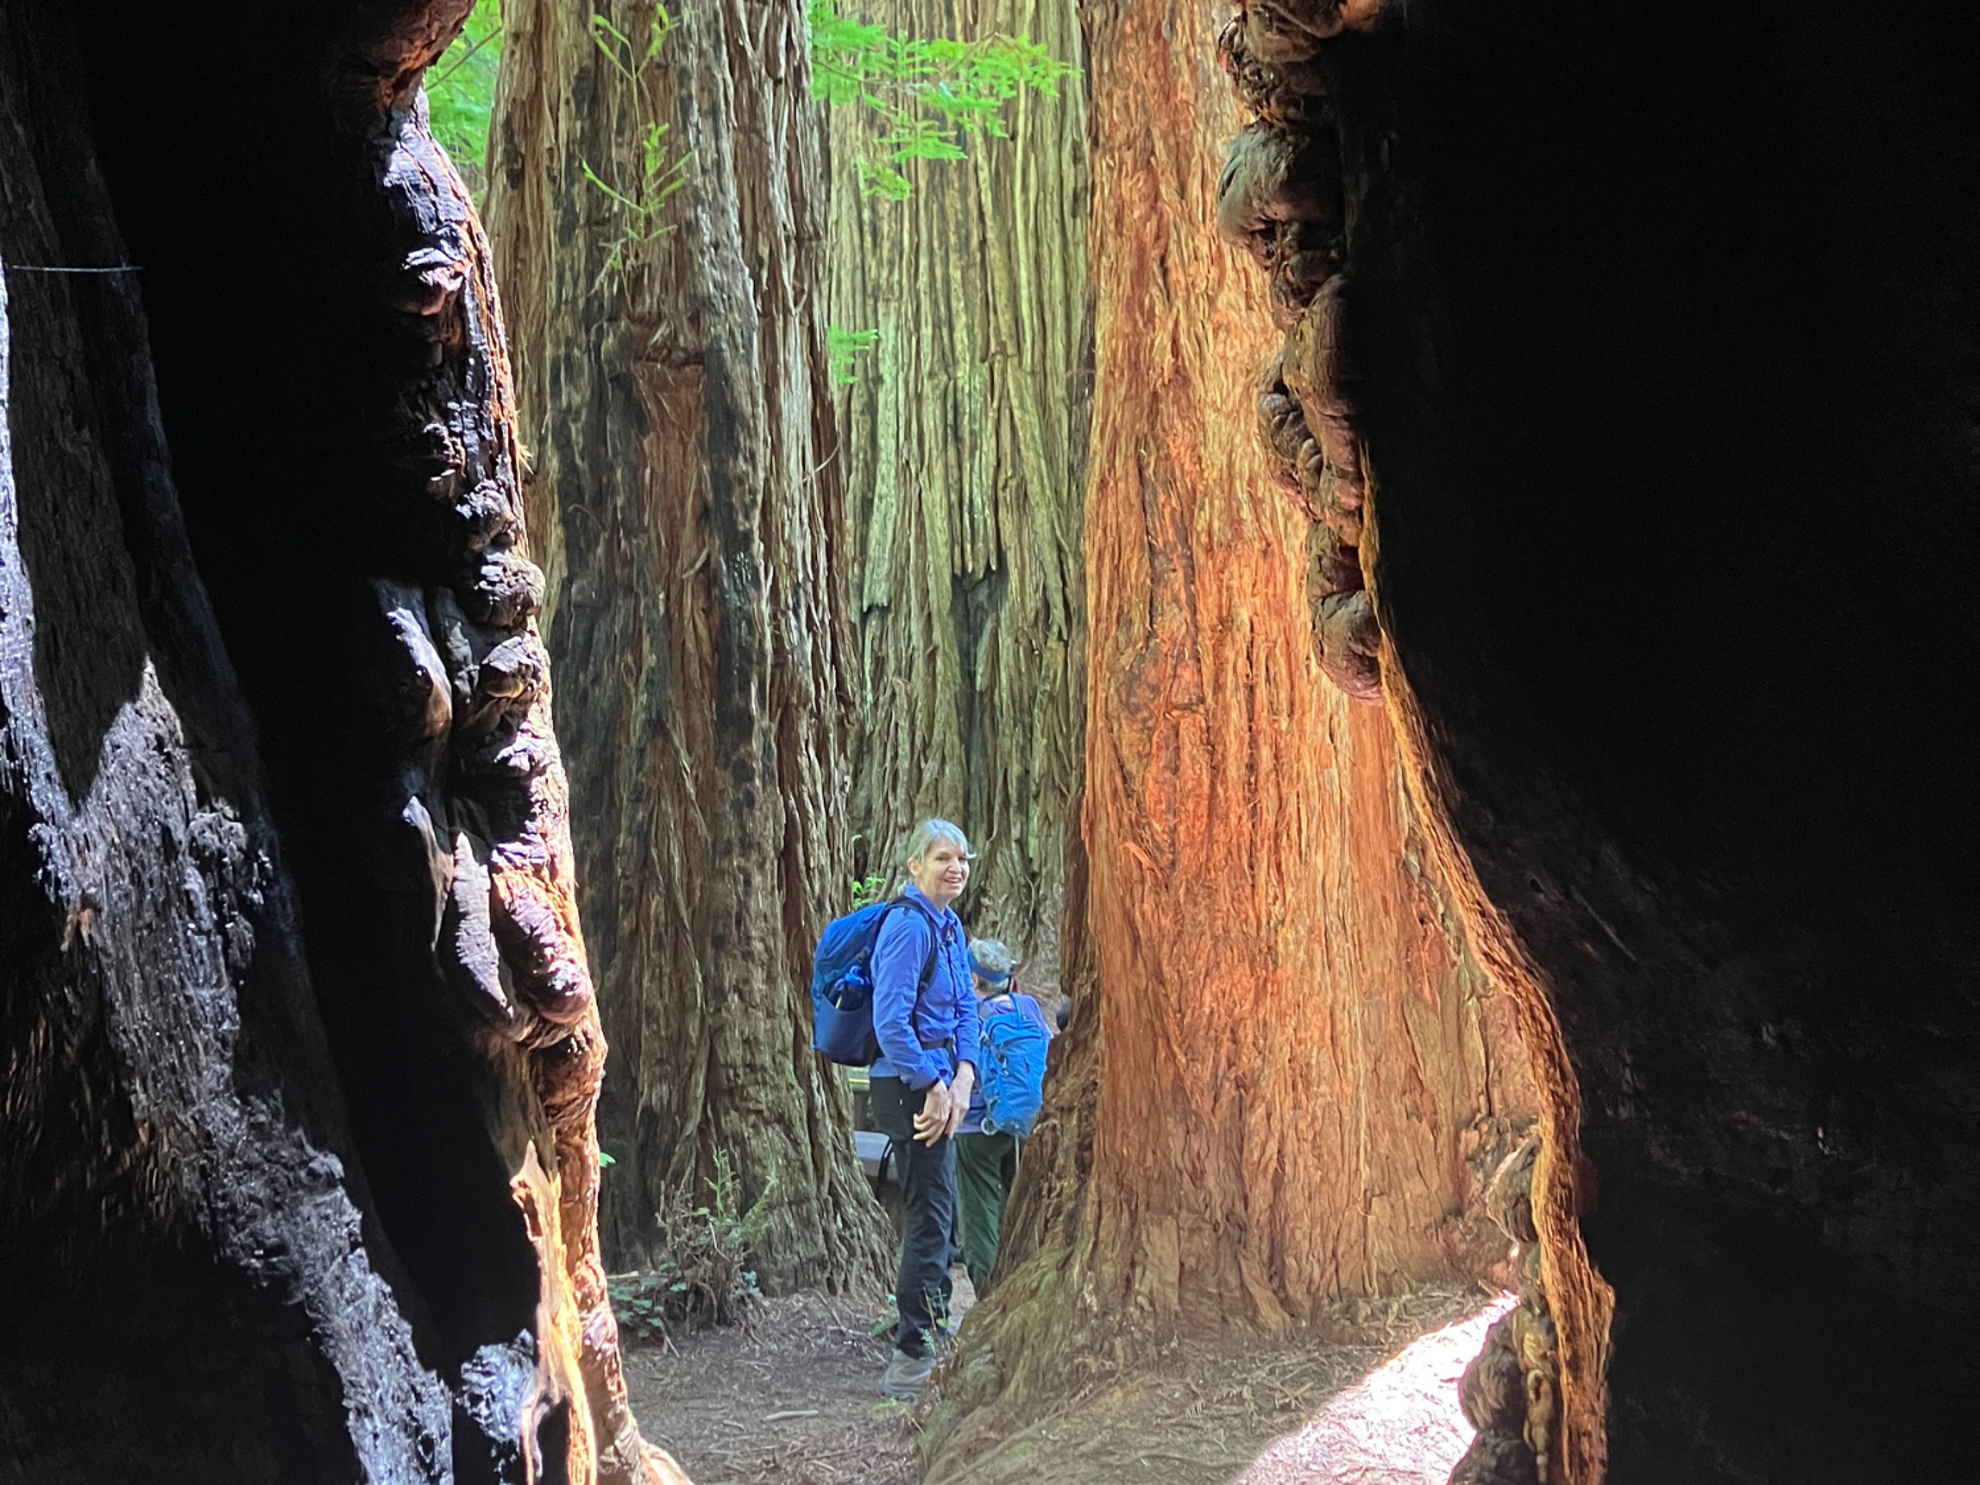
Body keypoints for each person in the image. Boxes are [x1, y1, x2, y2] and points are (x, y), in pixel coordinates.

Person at [869, 819, 980, 1401]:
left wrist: (963, 1077)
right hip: (909, 1085)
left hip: (941, 1082)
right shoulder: (909, 928)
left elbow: (966, 1007)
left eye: (962, 858)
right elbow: (891, 1021)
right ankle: (912, 1351)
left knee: (944, 1211)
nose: (955, 867)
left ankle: (934, 1325)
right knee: (931, 1213)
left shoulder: (951, 927)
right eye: (941, 858)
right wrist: (935, 1083)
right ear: (914, 866)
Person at [954, 938, 1054, 1294]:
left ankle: (986, 1293)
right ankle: (1027, 1287)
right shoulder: (1026, 1007)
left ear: (974, 981)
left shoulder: (968, 1015)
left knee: (981, 1215)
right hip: (1025, 1125)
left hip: (977, 1130)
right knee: (1021, 1207)